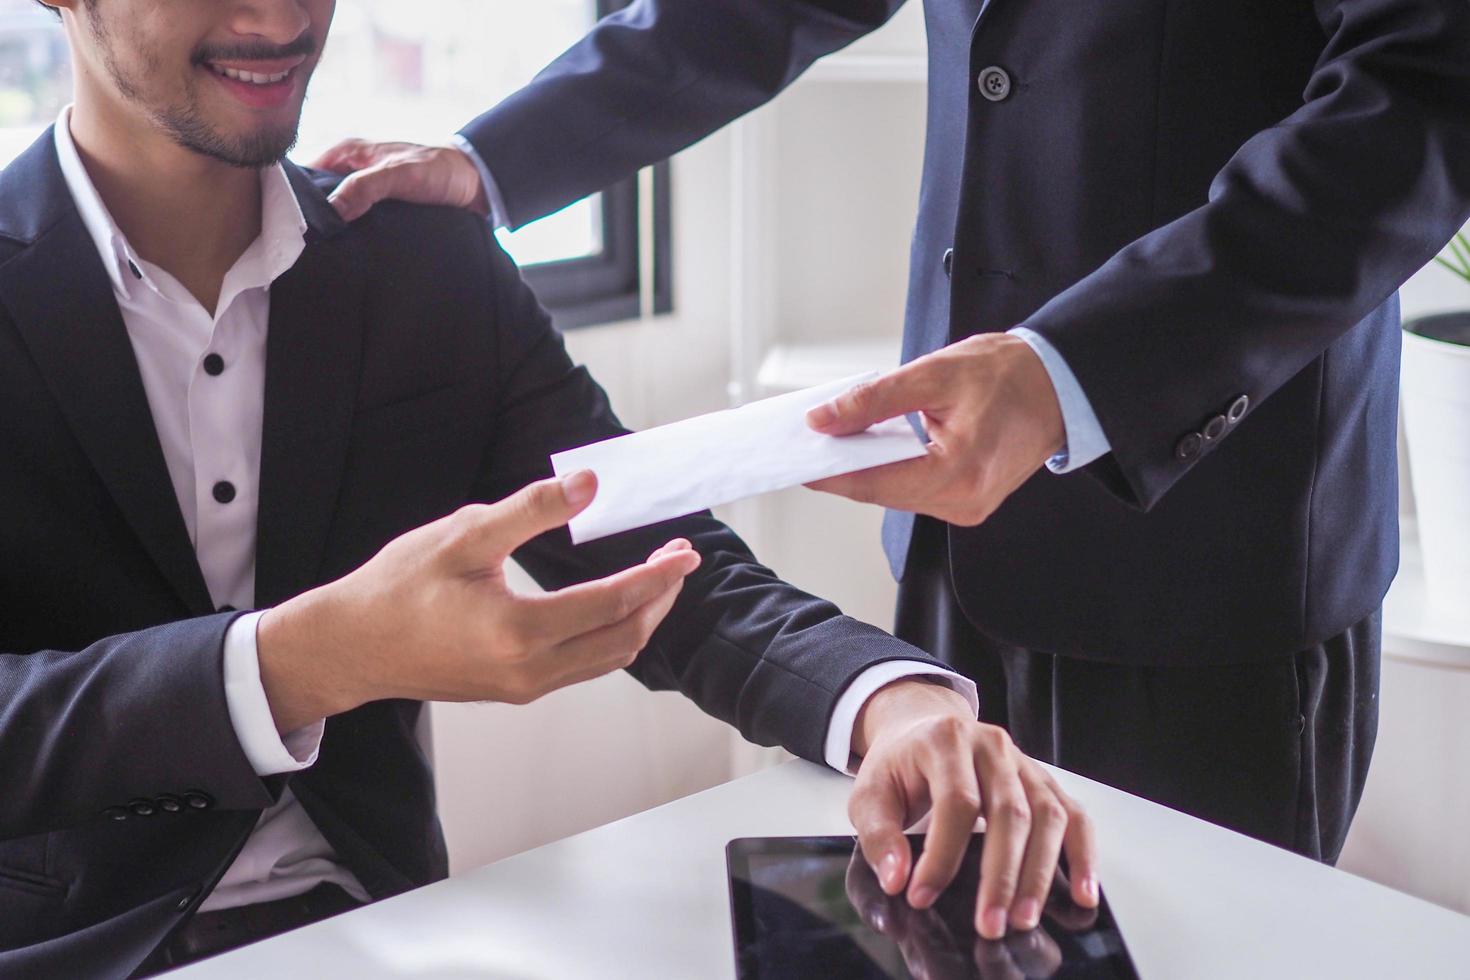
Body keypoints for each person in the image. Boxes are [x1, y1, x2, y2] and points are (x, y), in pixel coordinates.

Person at [0, 0, 1097, 974]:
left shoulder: (422, 258)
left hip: (384, 924)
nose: (282, 17)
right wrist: (302, 662)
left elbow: (662, 558)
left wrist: (888, 702)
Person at [321, 0, 1470, 863]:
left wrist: (1077, 373)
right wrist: (495, 161)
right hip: (955, 553)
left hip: (1204, 555)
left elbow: (1423, 94)